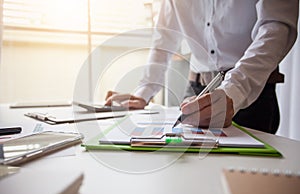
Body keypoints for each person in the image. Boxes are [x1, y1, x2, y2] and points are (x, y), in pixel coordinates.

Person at [105, 0, 299, 134]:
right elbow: (164, 38)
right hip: (196, 90)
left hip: (251, 94)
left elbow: (276, 26)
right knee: (184, 170)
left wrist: (234, 90)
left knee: (246, 182)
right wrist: (144, 91)